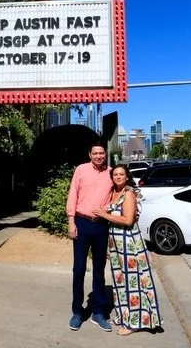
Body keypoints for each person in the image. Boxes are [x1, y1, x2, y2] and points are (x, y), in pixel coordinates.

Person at [99, 163, 161, 335]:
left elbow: (127, 220)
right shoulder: (113, 193)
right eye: (115, 174)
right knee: (120, 281)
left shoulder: (129, 194)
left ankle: (136, 323)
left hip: (129, 242)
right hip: (115, 244)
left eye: (121, 174)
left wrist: (103, 215)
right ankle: (124, 316)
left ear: (127, 176)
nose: (118, 177)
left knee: (133, 282)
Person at [66, 141, 113, 332]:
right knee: (78, 269)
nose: (99, 156)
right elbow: (72, 195)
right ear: (90, 154)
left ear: (105, 154)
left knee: (99, 270)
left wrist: (108, 210)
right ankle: (77, 311)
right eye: (95, 153)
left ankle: (98, 312)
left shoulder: (111, 173)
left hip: (101, 226)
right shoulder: (81, 170)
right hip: (82, 223)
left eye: (102, 153)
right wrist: (71, 221)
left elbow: (118, 197)